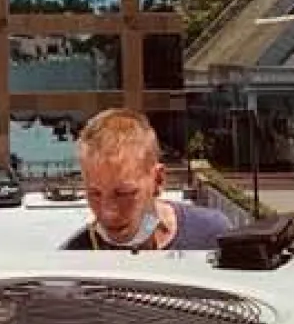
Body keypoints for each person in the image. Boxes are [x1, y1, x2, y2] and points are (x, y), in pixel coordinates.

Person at [62, 108, 235, 252]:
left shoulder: (212, 234)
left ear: (158, 180)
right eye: (95, 194)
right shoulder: (75, 259)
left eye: (123, 194)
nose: (109, 213)